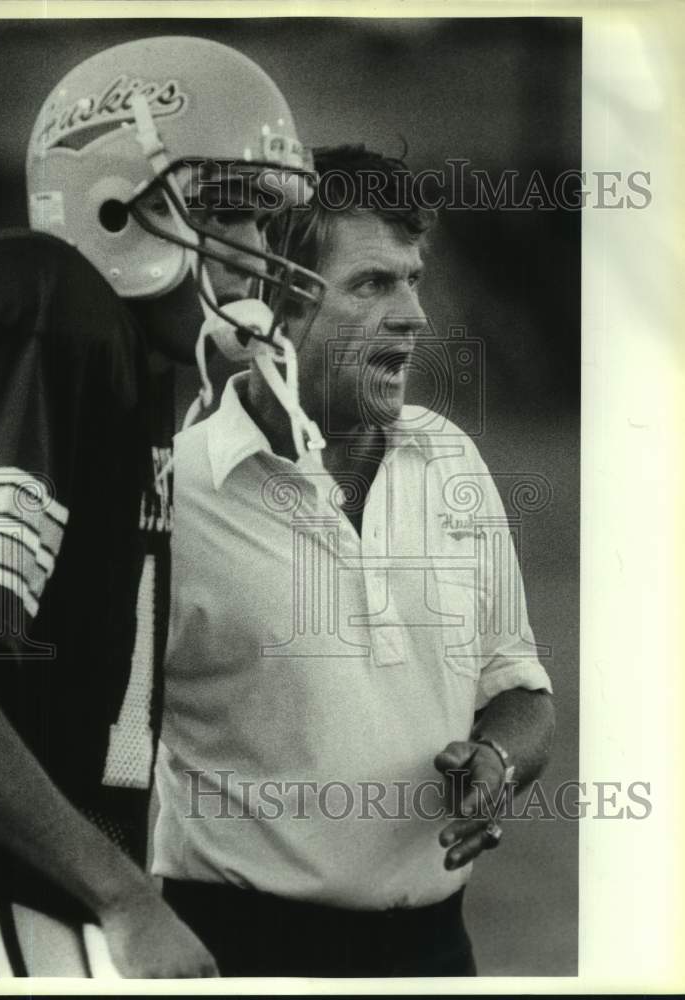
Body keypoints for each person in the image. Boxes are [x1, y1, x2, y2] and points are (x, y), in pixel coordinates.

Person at [0, 35, 324, 978]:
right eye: (226, 209)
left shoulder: (128, 368)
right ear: (112, 204)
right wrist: (124, 898)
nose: (257, 254)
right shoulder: (36, 300)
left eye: (264, 217)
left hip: (43, 889)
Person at [153, 145, 556, 977]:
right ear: (266, 303)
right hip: (239, 953)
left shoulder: (450, 459)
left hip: (437, 953)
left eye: (412, 280)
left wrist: (496, 764)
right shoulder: (178, 490)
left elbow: (519, 690)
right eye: (371, 284)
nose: (413, 316)